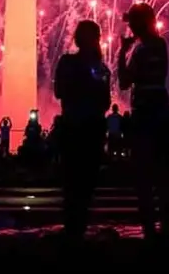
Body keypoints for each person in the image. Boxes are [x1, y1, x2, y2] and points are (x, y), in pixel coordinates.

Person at [118, 2, 169, 239]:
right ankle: (168, 222)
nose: (129, 25)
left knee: (143, 171)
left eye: (131, 21)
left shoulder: (141, 50)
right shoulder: (161, 44)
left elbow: (124, 81)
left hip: (144, 111)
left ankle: (149, 226)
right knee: (162, 169)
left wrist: (122, 52)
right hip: (161, 107)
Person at [54, 20, 112, 242]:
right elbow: (105, 102)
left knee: (70, 183)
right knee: (87, 184)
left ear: (77, 38)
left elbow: (59, 91)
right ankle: (79, 228)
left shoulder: (67, 62)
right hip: (92, 130)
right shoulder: (99, 67)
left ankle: (71, 229)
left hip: (71, 127)